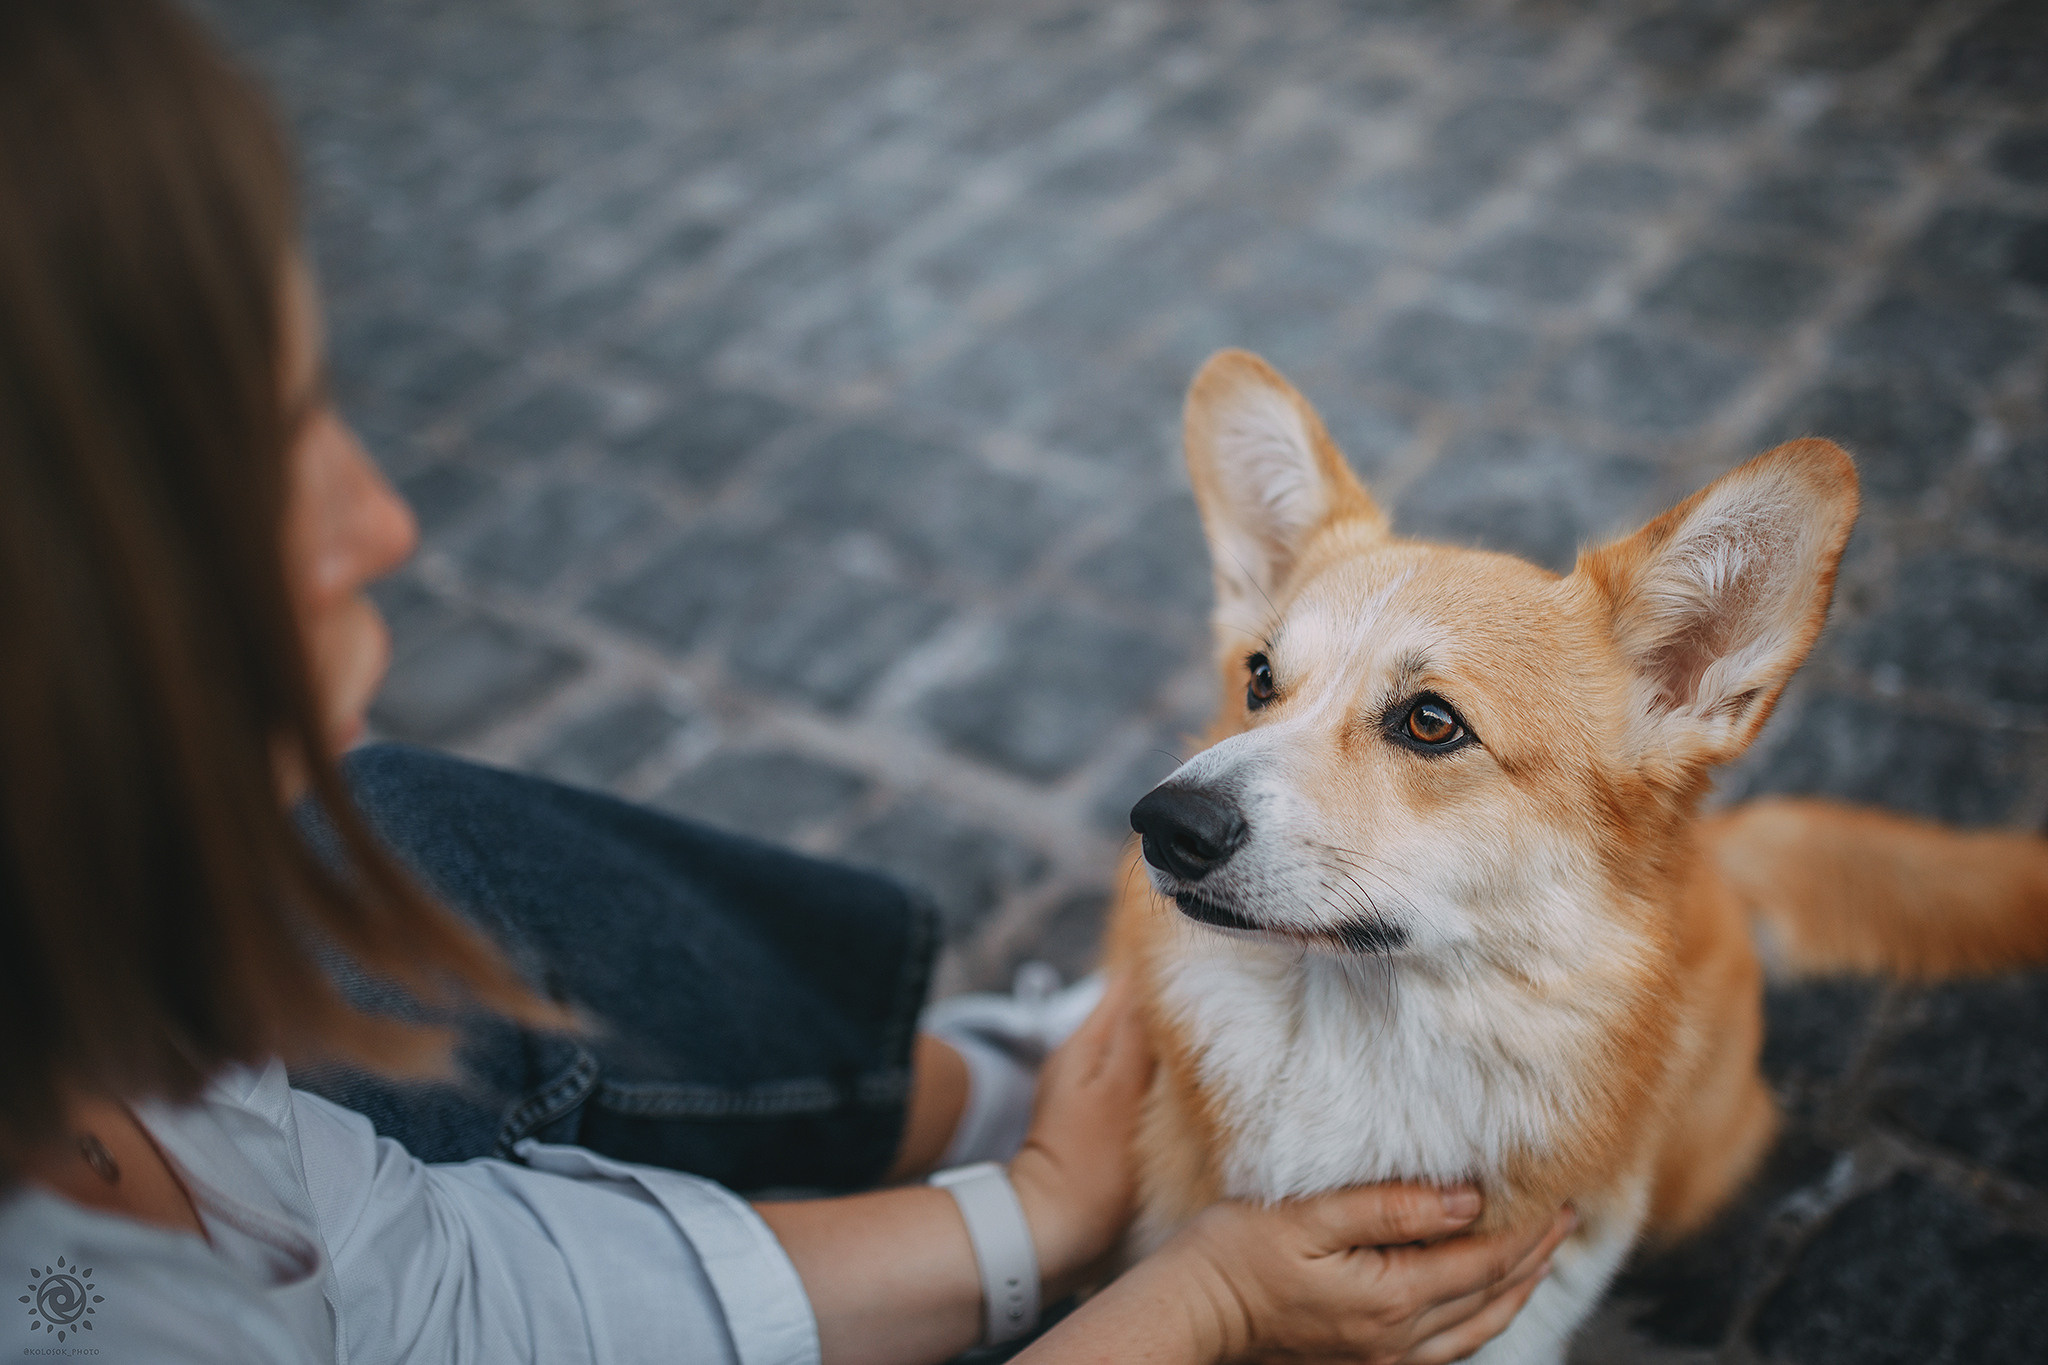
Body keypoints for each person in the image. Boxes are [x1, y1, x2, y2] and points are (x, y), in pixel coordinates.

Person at [0, 3, 1574, 1362]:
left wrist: (1035, 1205)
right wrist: (1204, 1304)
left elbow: (420, 1290)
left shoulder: (104, 996)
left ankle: (966, 1088)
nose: (386, 521)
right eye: (254, 462)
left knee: (383, 833)